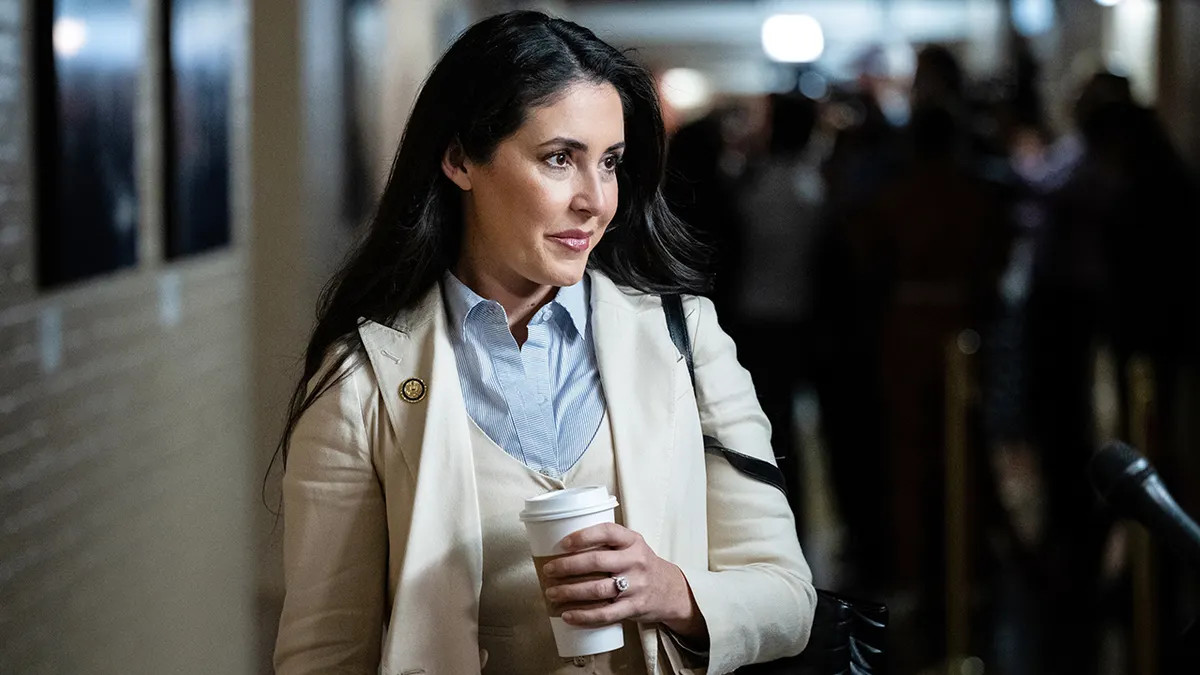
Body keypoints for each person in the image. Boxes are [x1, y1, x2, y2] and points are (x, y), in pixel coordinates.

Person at [271, 11, 816, 675]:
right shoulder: (365, 381)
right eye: (560, 159)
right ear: (460, 159)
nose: (595, 200)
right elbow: (325, 656)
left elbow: (788, 598)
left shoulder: (685, 340)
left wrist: (671, 591)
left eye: (609, 163)